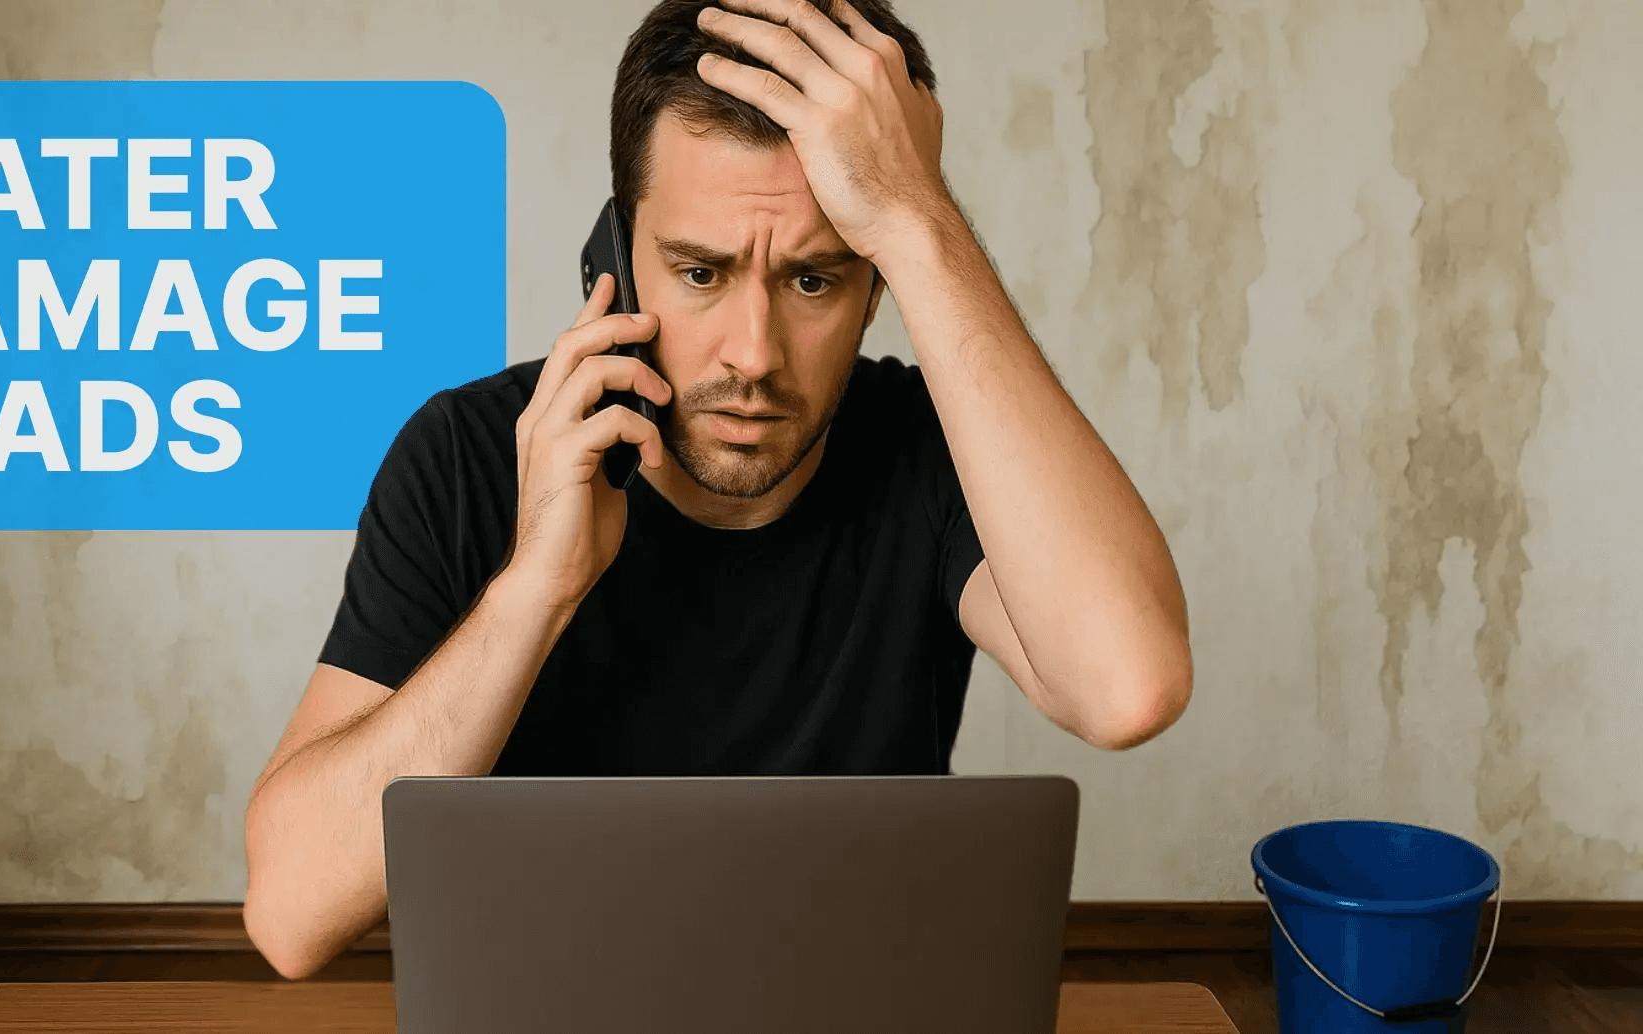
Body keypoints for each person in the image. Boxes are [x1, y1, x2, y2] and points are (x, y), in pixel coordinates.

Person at [243, 0, 1192, 980]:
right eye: (700, 271)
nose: (753, 354)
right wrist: (536, 588)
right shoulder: (470, 452)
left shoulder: (937, 450)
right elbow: (289, 913)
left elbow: (1130, 687)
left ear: (879, 286)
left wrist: (919, 216)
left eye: (815, 281)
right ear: (613, 264)